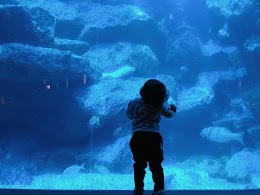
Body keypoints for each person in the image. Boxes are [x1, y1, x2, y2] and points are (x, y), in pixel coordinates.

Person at [126, 79, 176, 195]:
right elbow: (170, 115)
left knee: (139, 165)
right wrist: (173, 110)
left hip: (138, 136)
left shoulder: (135, 102)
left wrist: (130, 107)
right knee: (156, 165)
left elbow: (129, 115)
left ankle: (139, 189)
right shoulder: (159, 105)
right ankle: (159, 190)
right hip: (154, 137)